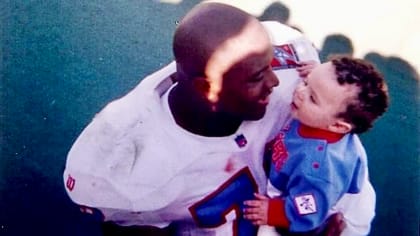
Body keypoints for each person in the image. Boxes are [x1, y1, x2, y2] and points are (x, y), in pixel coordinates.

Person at [63, 2, 375, 235]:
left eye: (270, 65)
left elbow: (335, 135)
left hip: (325, 208)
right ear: (208, 88)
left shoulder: (292, 60)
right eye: (256, 77)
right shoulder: (120, 156)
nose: (276, 82)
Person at [243, 57, 388, 234]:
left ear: (337, 126)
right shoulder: (322, 118)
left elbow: (309, 209)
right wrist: (318, 79)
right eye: (306, 82)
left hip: (326, 208)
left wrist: (274, 212)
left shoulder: (318, 170)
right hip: (331, 189)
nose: (300, 91)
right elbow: (332, 94)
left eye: (312, 97)